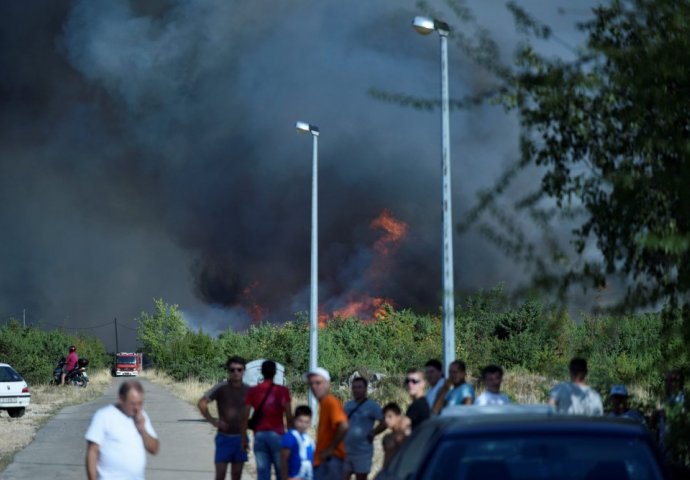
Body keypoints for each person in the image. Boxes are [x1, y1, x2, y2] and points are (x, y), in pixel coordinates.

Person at [85, 380, 159, 480]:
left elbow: (154, 449)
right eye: (133, 404)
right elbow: (92, 452)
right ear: (121, 399)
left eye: (140, 403)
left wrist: (143, 430)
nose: (137, 408)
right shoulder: (104, 416)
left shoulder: (142, 416)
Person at [198, 356, 250, 480]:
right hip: (224, 438)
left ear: (244, 371)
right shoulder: (221, 388)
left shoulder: (249, 390)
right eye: (232, 370)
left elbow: (259, 409)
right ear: (228, 371)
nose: (236, 372)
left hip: (241, 438)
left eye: (239, 369)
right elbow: (202, 403)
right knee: (220, 475)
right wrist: (213, 421)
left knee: (236, 476)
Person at [242, 360, 292, 480]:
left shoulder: (253, 391)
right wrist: (291, 438)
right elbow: (289, 416)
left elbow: (244, 416)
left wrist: (244, 437)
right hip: (278, 436)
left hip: (259, 437)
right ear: (275, 373)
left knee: (263, 474)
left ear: (262, 373)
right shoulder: (282, 391)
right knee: (281, 472)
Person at [306, 367, 349, 480]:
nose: (314, 386)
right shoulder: (324, 403)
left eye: (318, 382)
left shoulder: (330, 401)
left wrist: (330, 449)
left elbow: (344, 425)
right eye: (311, 383)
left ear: (328, 384)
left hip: (331, 461)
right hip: (326, 461)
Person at [343, 377, 386, 480]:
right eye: (354, 387)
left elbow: (384, 422)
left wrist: (373, 433)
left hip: (362, 451)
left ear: (365, 389)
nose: (356, 390)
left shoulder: (372, 406)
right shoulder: (348, 405)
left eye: (359, 387)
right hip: (346, 451)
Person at [281, 405, 315, 480]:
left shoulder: (308, 439)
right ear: (294, 419)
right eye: (300, 421)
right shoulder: (289, 437)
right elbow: (284, 460)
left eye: (306, 422)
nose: (303, 425)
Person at [380, 403, 411, 467]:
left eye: (390, 416)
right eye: (384, 417)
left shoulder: (407, 435)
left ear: (398, 416)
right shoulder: (386, 438)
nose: (386, 420)